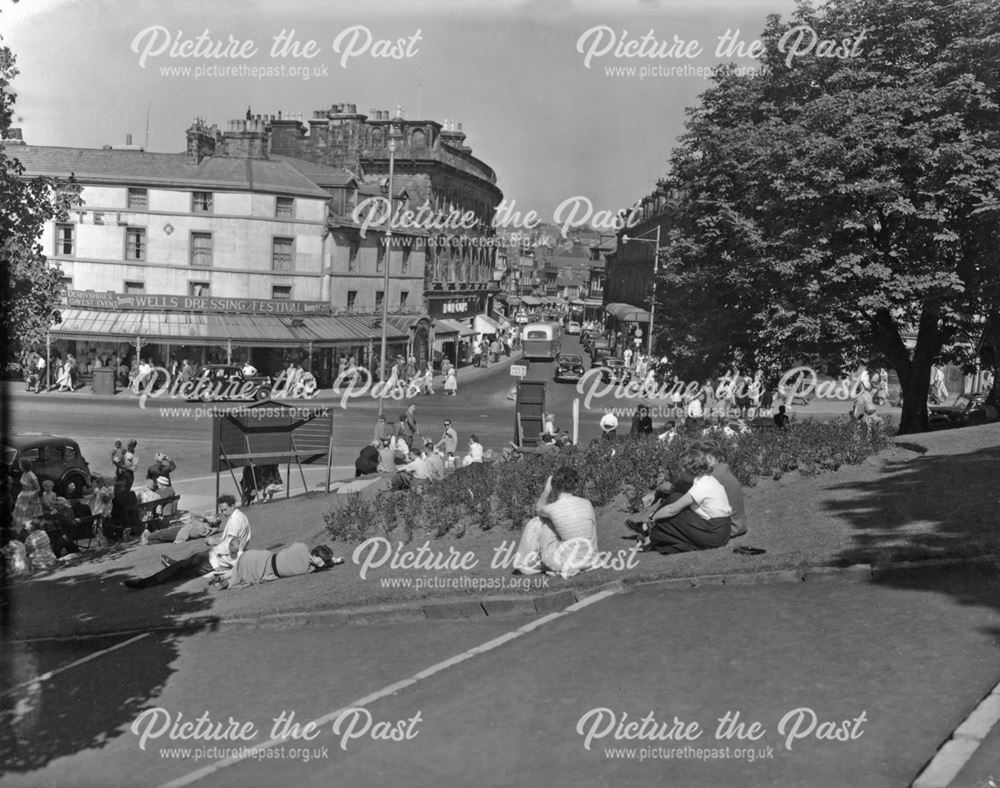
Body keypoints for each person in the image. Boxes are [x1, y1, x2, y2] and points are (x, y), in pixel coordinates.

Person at [123, 495, 250, 589]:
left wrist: (213, 541)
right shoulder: (240, 517)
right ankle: (171, 568)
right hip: (216, 557)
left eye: (224, 510)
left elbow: (230, 544)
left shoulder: (235, 521)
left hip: (216, 559)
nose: (222, 513)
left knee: (180, 572)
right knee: (187, 562)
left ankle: (145, 583)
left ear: (233, 506)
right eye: (221, 510)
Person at [630, 447, 733, 554]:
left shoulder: (702, 485)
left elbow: (672, 509)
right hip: (721, 530)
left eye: (682, 471)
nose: (681, 474)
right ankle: (651, 534)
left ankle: (651, 538)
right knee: (675, 497)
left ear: (690, 470)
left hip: (714, 533)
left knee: (668, 515)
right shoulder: (707, 479)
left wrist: (653, 518)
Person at [513, 467, 597, 578]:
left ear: (555, 486)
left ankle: (525, 562)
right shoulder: (587, 503)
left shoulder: (553, 509)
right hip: (589, 558)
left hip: (566, 561)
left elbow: (538, 508)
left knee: (538, 522)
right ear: (575, 485)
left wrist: (546, 491)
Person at [222, 543, 342, 589]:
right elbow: (322, 566)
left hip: (263, 559)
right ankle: (223, 579)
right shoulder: (309, 568)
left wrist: (332, 561)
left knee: (240, 570)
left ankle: (223, 578)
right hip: (264, 566)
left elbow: (286, 550)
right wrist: (323, 565)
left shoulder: (302, 547)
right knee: (242, 573)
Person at [12, 459, 44, 530]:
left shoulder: (32, 476)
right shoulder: (24, 473)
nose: (19, 466)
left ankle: (29, 528)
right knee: (20, 513)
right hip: (23, 496)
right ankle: (22, 527)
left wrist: (31, 497)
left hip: (30, 497)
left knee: (28, 515)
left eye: (20, 465)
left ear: (24, 466)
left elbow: (38, 489)